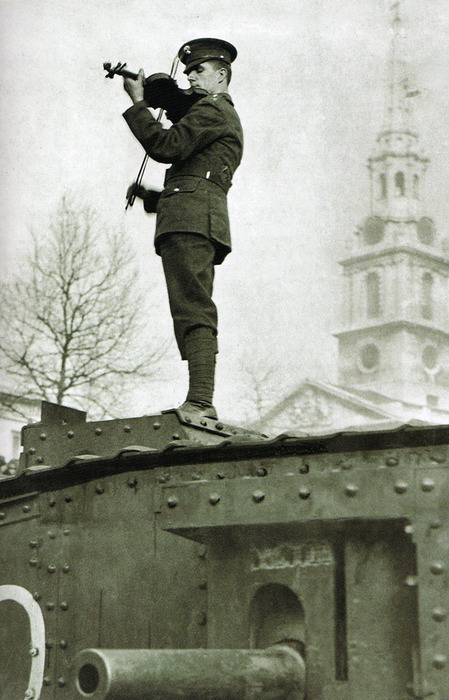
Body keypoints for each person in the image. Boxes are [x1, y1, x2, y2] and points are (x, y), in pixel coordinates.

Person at [122, 38, 243, 420]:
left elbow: (165, 146)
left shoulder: (212, 110)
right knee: (189, 307)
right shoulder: (209, 112)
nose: (189, 76)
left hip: (192, 222)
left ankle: (201, 401)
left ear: (221, 75)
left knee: (193, 308)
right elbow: (193, 180)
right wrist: (153, 198)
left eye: (198, 70)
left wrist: (139, 103)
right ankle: (199, 398)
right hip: (190, 218)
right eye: (187, 70)